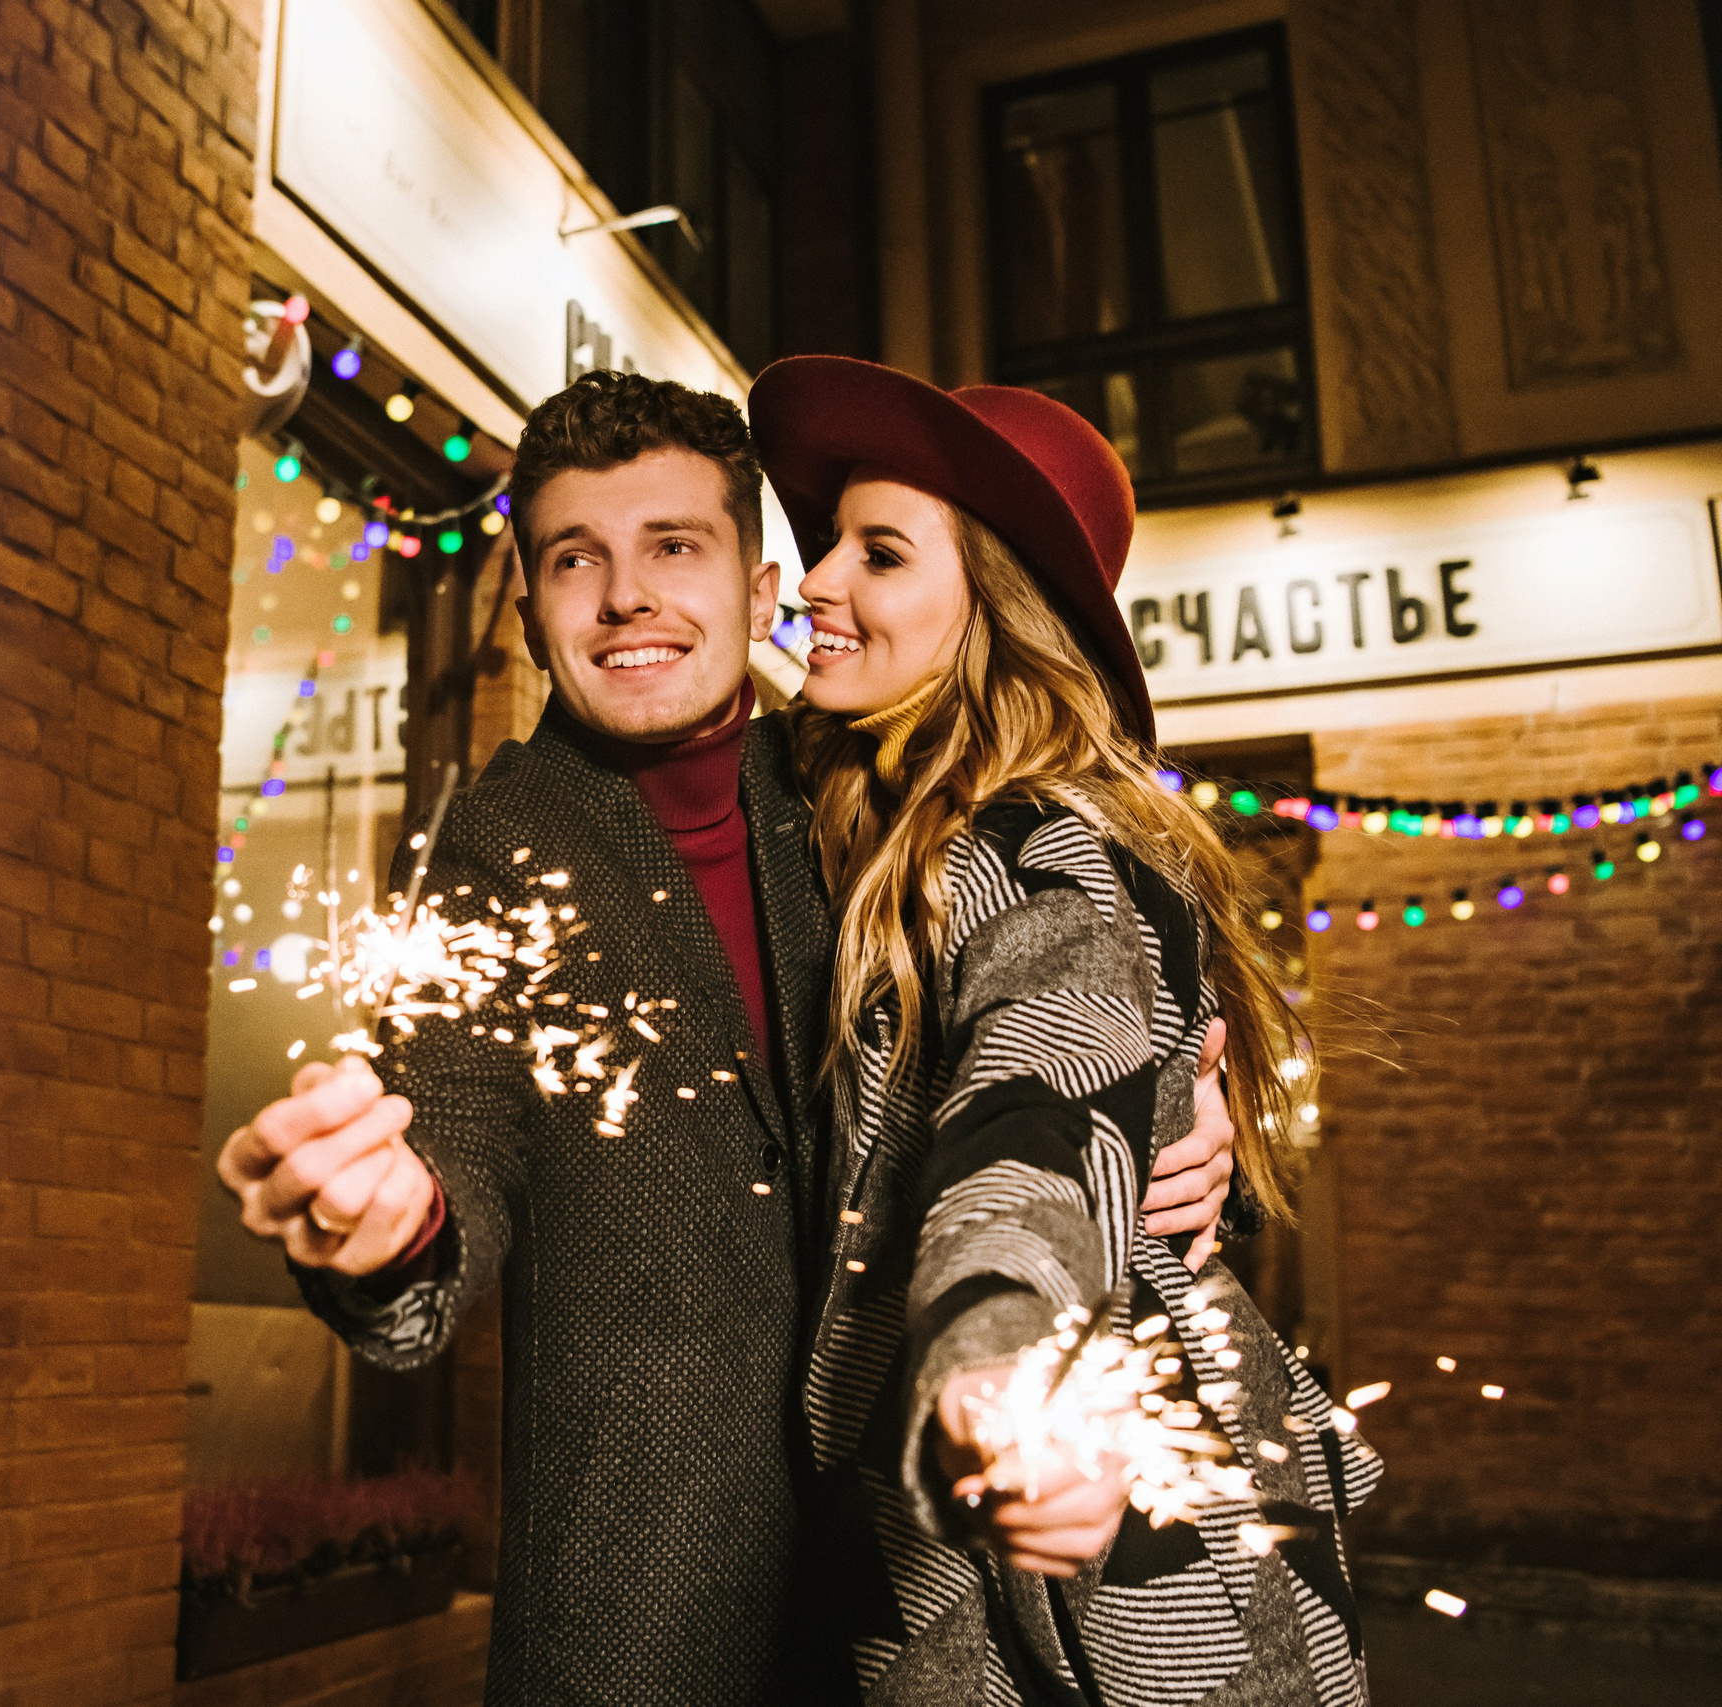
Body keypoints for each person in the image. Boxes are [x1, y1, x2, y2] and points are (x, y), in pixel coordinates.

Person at [213, 372, 1240, 1704]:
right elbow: (442, 1179)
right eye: (575, 559)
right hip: (637, 1602)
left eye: (673, 548)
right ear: (527, 611)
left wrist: (1187, 1142)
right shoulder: (493, 845)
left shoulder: (882, 783)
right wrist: (388, 1222)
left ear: (764, 593)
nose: (626, 595)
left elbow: (1054, 1041)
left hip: (930, 1581)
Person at [750, 355, 1379, 1704]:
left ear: (997, 610)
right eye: (826, 547)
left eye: (880, 552)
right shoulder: (896, 828)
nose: (814, 583)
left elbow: (1035, 1108)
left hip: (1101, 1573)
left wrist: (1001, 1371)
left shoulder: (1036, 850)